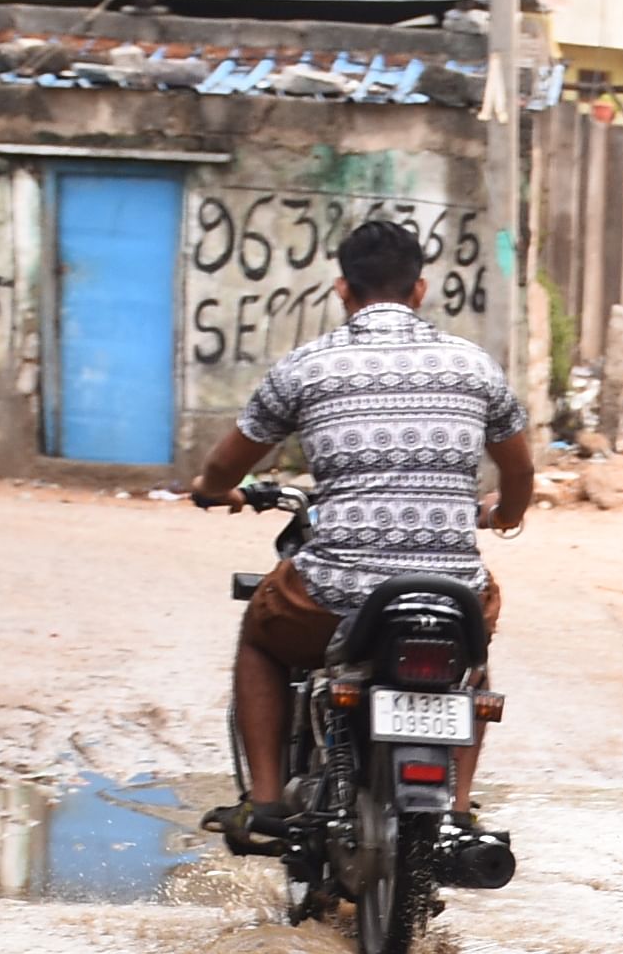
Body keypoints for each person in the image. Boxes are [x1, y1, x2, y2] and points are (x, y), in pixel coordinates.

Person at [188, 217, 536, 844]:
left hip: (336, 593)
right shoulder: (475, 366)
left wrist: (216, 492)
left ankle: (265, 801)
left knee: (261, 635)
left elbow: (224, 464)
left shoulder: (305, 367)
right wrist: (506, 515)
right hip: (448, 589)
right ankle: (456, 808)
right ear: (420, 290)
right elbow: (520, 467)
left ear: (342, 290)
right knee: (469, 660)